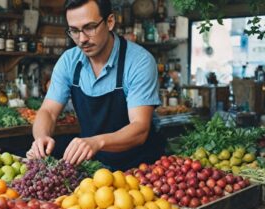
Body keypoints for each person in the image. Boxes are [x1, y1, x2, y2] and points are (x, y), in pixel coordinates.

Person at [26, 0, 165, 171]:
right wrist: (41, 138)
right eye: (75, 31)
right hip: (95, 167)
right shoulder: (69, 61)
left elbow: (140, 128)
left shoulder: (139, 62)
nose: (82, 39)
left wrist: (96, 142)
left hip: (140, 168)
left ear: (110, 22)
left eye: (90, 27)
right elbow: (48, 111)